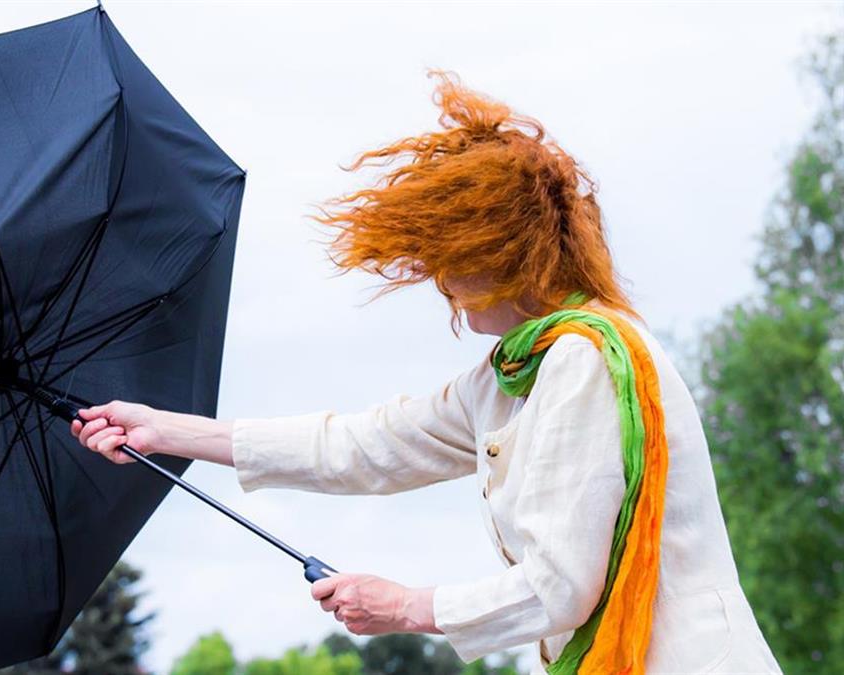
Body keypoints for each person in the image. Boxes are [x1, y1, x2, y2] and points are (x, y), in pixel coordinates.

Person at [69, 71, 781, 674]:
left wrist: (406, 606)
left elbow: (560, 587)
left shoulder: (584, 360)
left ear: (498, 253)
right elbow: (362, 444)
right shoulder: (515, 373)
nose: (440, 281)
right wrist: (167, 431)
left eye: (448, 258)